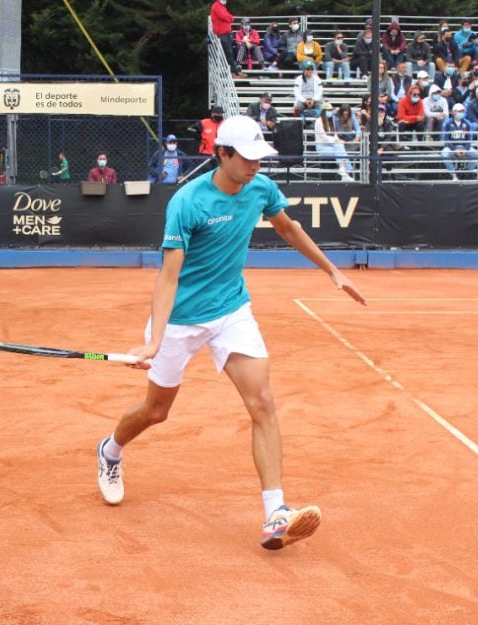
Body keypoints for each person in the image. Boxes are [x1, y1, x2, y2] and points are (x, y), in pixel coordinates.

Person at [94, 113, 365, 551]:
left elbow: (288, 228)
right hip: (180, 318)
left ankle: (276, 513)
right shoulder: (188, 202)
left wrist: (332, 271)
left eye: (260, 157)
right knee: (155, 411)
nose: (256, 165)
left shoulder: (260, 187)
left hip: (231, 310)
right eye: (247, 157)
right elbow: (168, 276)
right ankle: (110, 450)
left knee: (262, 401)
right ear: (222, 154)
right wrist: (155, 340)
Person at [314, 102, 355, 180]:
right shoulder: (318, 122)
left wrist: (337, 139)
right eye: (328, 110)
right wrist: (335, 140)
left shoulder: (330, 121)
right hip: (322, 147)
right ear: (324, 111)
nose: (330, 112)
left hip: (332, 146)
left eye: (331, 110)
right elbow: (324, 137)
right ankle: (347, 171)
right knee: (341, 149)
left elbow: (334, 134)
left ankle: (343, 171)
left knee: (340, 147)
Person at [441, 103, 478, 180]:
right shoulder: (447, 123)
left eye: (463, 111)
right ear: (454, 112)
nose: (462, 113)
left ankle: (466, 173)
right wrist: (455, 149)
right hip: (451, 147)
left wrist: (465, 149)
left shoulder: (467, 123)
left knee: (476, 155)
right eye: (460, 111)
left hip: (464, 147)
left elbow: (469, 138)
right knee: (444, 154)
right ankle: (454, 175)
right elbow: (445, 139)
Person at [210, 0, 244, 78]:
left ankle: (234, 72)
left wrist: (228, 17)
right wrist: (228, 17)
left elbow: (229, 17)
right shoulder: (216, 6)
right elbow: (224, 16)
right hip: (221, 33)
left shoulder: (222, 6)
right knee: (228, 52)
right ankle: (234, 72)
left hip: (226, 33)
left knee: (230, 52)